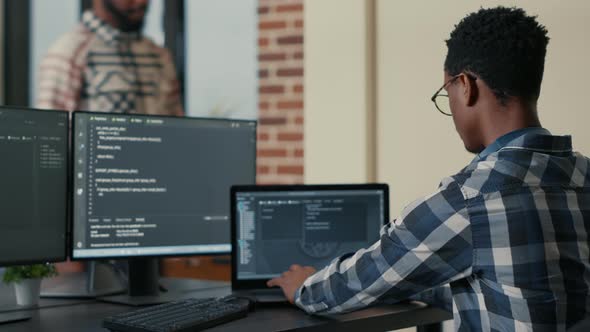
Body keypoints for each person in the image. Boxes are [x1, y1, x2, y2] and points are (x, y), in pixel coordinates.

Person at [268, 6, 590, 330]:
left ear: (465, 85)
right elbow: (522, 288)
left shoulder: (469, 201)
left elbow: (367, 276)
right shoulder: (584, 175)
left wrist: (304, 288)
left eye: (445, 92)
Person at [36, 0, 182, 116]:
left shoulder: (159, 56)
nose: (141, 2)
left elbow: (177, 126)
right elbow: (51, 134)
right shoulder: (68, 53)